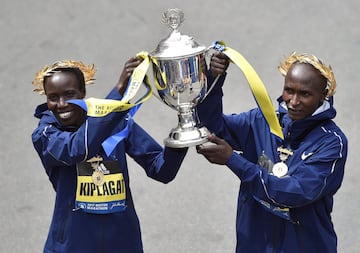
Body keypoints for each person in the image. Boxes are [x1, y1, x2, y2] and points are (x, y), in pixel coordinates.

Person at [31, 57, 188, 253]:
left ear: (83, 93)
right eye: (53, 97)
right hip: (72, 244)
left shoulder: (117, 121)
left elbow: (162, 170)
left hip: (122, 241)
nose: (61, 104)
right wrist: (119, 91)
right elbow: (78, 148)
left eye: (69, 94)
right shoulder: (46, 134)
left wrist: (180, 140)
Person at [196, 51, 348, 252]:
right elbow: (213, 128)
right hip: (253, 245)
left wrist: (233, 160)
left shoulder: (331, 143)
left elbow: (293, 193)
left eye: (305, 94)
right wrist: (214, 81)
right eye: (289, 90)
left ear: (323, 95)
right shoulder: (262, 120)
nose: (293, 102)